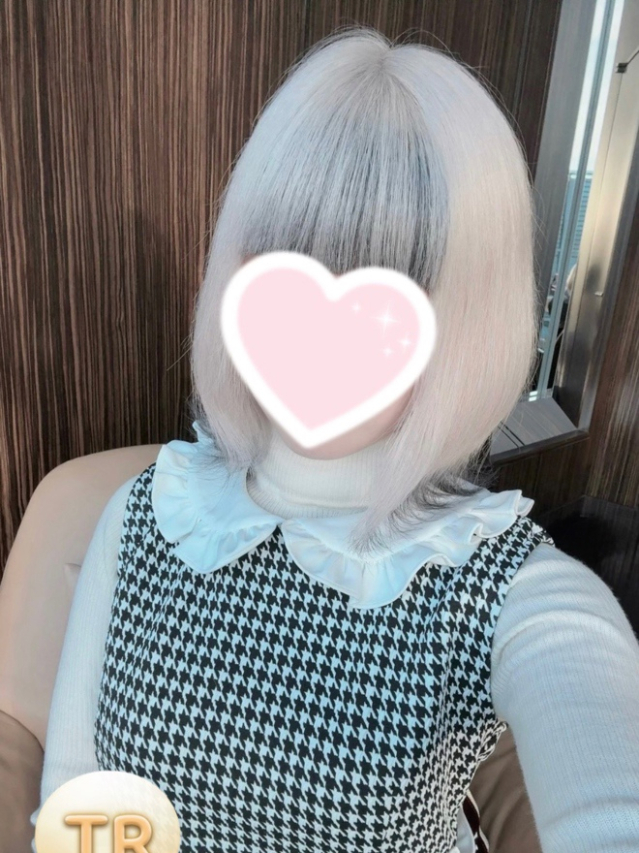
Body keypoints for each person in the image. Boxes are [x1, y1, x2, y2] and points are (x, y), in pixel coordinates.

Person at [32, 26, 639, 853]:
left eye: (391, 283)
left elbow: (605, 773)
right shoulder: (148, 514)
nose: (320, 331)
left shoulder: (496, 585)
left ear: (465, 320)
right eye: (285, 262)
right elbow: (77, 789)